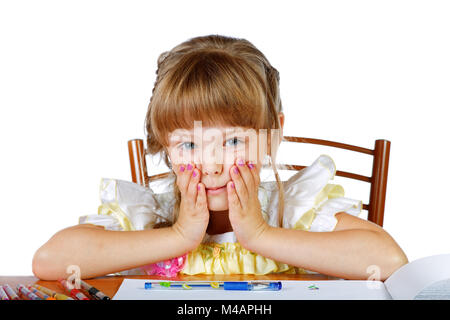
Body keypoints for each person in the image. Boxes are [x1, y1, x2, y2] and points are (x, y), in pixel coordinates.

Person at [32, 34, 408, 281]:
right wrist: (179, 236)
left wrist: (261, 235)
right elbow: (49, 262)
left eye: (232, 142)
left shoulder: (293, 212)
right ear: (165, 144)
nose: (211, 165)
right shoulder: (150, 217)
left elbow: (390, 262)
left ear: (271, 137)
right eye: (189, 146)